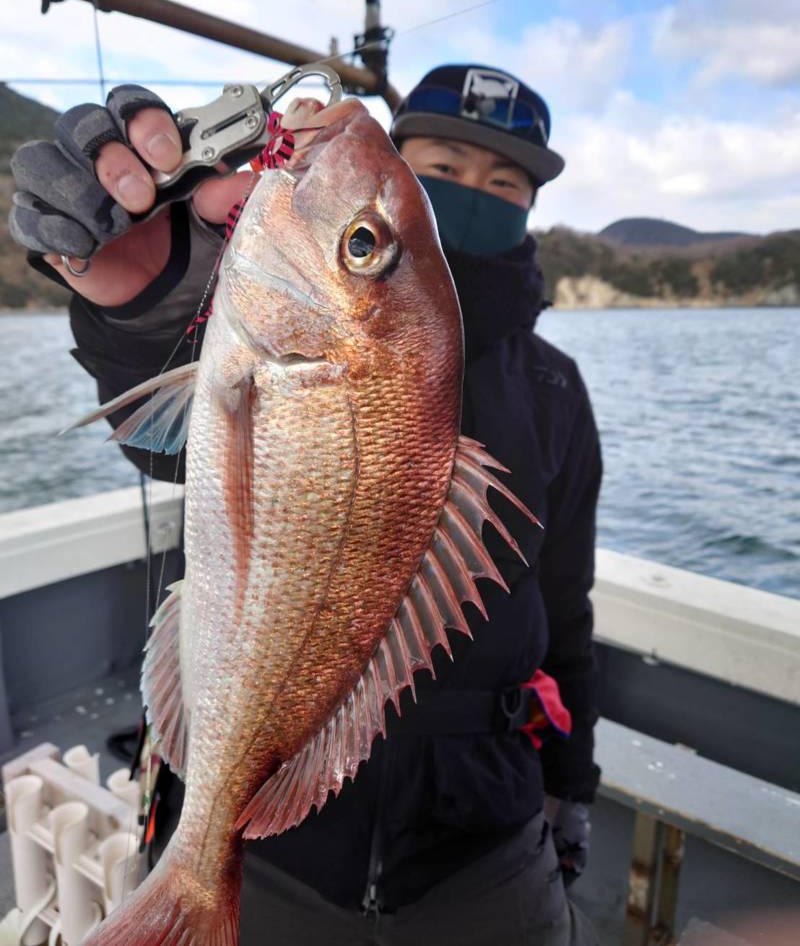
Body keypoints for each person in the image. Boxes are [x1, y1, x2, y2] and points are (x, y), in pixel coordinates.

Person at [10, 64, 602, 945]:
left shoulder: (556, 388)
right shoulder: (251, 317)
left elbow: (567, 612)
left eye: (506, 180)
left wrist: (570, 796)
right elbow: (159, 433)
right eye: (443, 163)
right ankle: (196, 873)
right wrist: (147, 307)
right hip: (280, 846)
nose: (475, 191)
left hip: (486, 838)